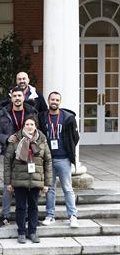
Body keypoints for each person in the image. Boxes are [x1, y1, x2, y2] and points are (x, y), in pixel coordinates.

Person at [4, 115, 52, 244]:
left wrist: (47, 183)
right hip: (19, 180)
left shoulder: (42, 141)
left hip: (36, 180)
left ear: (35, 126)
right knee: (20, 207)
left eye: (32, 124)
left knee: (33, 207)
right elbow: (7, 162)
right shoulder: (15, 140)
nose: (29, 127)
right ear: (23, 126)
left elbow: (48, 162)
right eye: (27, 124)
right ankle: (21, 232)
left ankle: (33, 231)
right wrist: (7, 182)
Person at [0, 87, 38, 227]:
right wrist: (7, 138)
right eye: (15, 96)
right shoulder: (4, 113)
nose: (17, 98)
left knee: (26, 185)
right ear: (11, 98)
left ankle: (26, 216)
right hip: (10, 152)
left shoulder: (31, 112)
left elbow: (38, 130)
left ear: (24, 96)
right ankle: (5, 215)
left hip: (28, 153)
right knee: (8, 185)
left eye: (20, 95)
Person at [38, 91, 80, 228]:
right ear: (49, 101)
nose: (54, 102)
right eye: (52, 99)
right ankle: (50, 215)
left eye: (57, 100)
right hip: (48, 159)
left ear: (59, 102)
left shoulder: (68, 117)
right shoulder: (42, 117)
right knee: (50, 189)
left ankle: (72, 216)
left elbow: (75, 137)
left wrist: (69, 149)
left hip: (64, 158)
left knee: (67, 188)